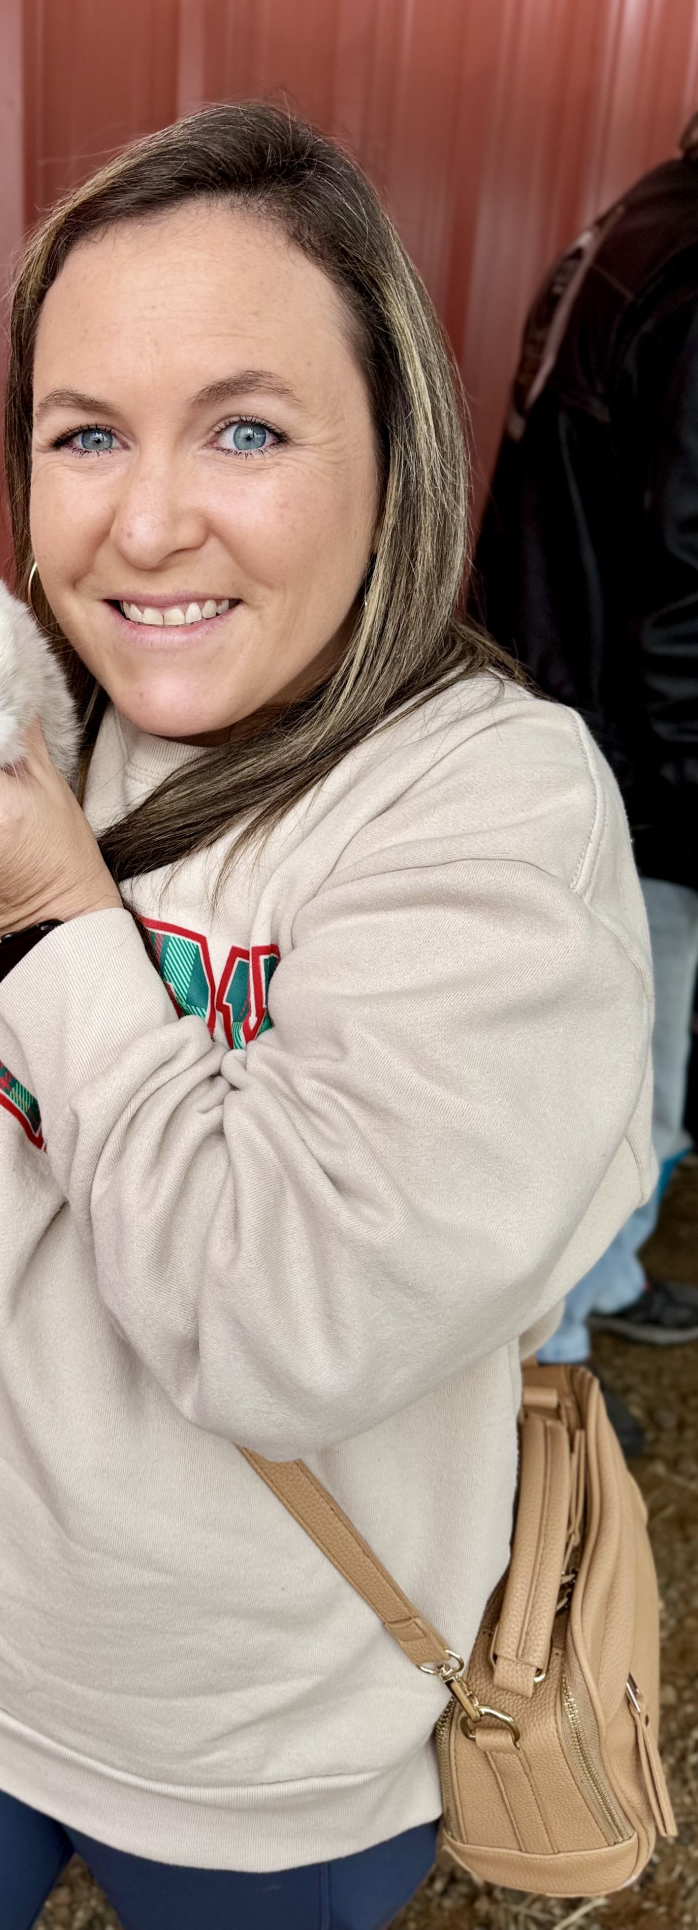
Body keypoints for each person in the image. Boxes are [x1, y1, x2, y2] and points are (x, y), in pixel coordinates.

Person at [0, 105, 653, 1930]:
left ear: (394, 450)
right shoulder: (30, 718)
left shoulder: (491, 814)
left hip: (251, 1751)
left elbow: (282, 1325)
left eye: (245, 428)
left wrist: (46, 913)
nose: (147, 524)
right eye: (86, 434)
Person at [474, 115, 698, 1455]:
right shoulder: (691, 266)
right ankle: (549, 1386)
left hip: (579, 715)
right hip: (635, 767)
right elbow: (685, 587)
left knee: (614, 1076)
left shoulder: (645, 219)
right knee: (613, 1089)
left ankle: (602, 1296)